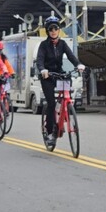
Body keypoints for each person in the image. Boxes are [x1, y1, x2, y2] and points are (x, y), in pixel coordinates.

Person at [35, 16, 85, 148]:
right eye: (51, 29)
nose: (53, 31)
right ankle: (50, 132)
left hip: (59, 74)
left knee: (66, 96)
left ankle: (65, 108)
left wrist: (79, 65)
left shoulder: (62, 44)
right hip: (47, 76)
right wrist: (43, 69)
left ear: (59, 30)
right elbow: (40, 60)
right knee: (51, 104)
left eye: (55, 28)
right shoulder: (43, 45)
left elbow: (71, 56)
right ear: (47, 31)